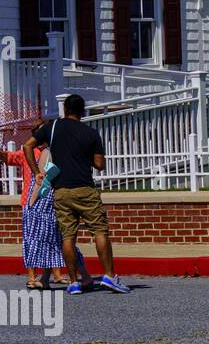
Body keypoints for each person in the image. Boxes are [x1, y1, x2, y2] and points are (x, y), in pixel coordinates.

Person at [25, 95, 130, 295]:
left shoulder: (52, 127)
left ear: (65, 109)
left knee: (68, 236)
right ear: (82, 111)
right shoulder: (90, 133)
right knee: (99, 231)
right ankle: (109, 275)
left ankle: (73, 282)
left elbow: (27, 145)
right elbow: (99, 164)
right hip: (85, 188)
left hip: (61, 191)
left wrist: (36, 172)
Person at [0, 124, 72, 289]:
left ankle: (56, 274)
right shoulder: (29, 152)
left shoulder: (55, 151)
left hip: (51, 202)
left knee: (53, 238)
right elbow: (11, 157)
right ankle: (32, 277)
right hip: (31, 202)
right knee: (31, 240)